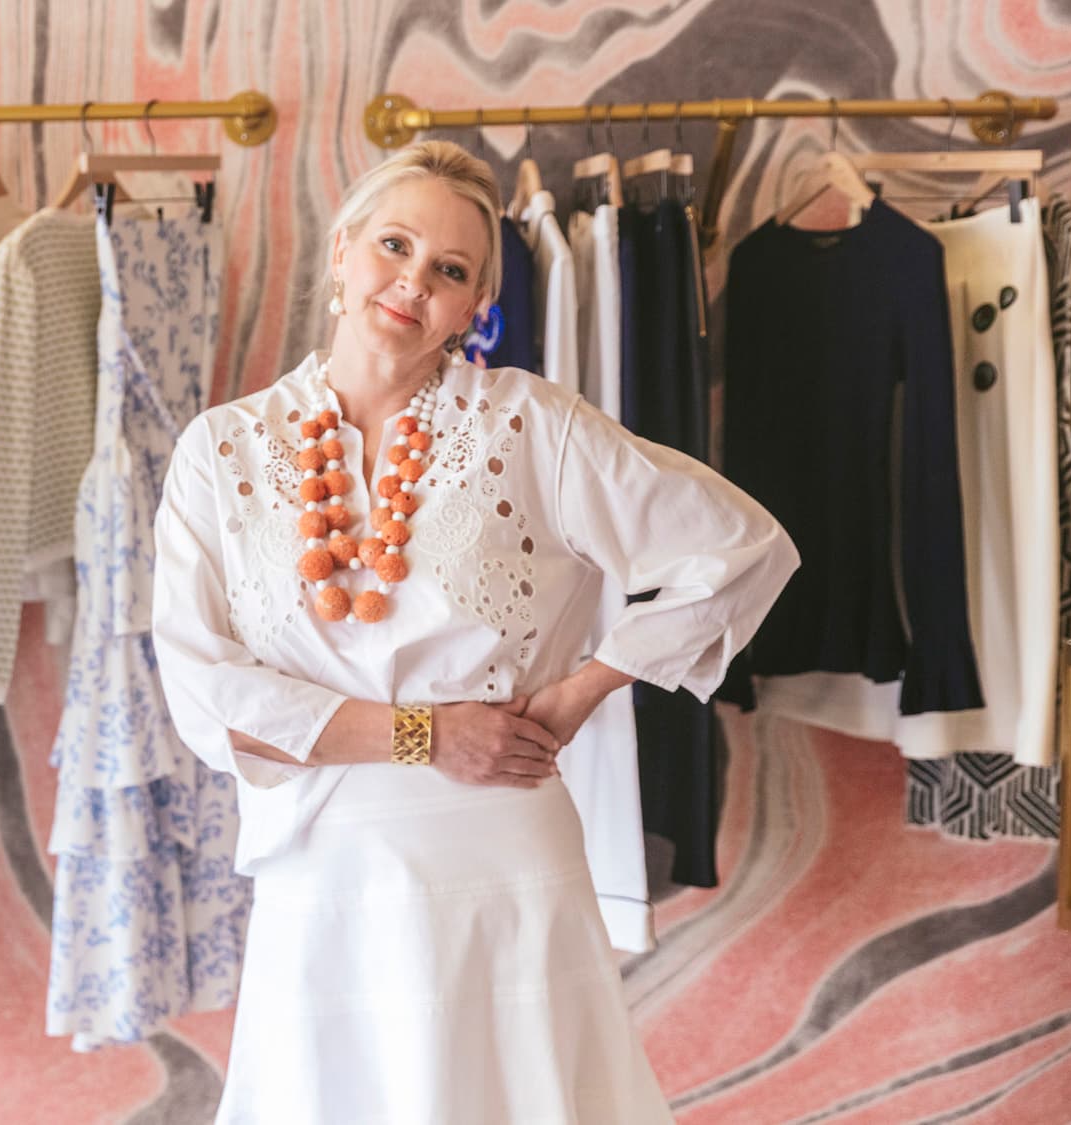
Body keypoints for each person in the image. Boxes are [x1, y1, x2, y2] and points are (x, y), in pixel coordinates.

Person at [150, 139, 799, 1122]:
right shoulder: (220, 451)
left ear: (474, 305)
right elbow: (206, 694)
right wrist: (426, 736)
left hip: (500, 857)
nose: (413, 281)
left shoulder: (531, 426)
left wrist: (583, 689)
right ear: (341, 249)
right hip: (321, 868)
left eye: (449, 269)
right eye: (394, 245)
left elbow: (737, 548)